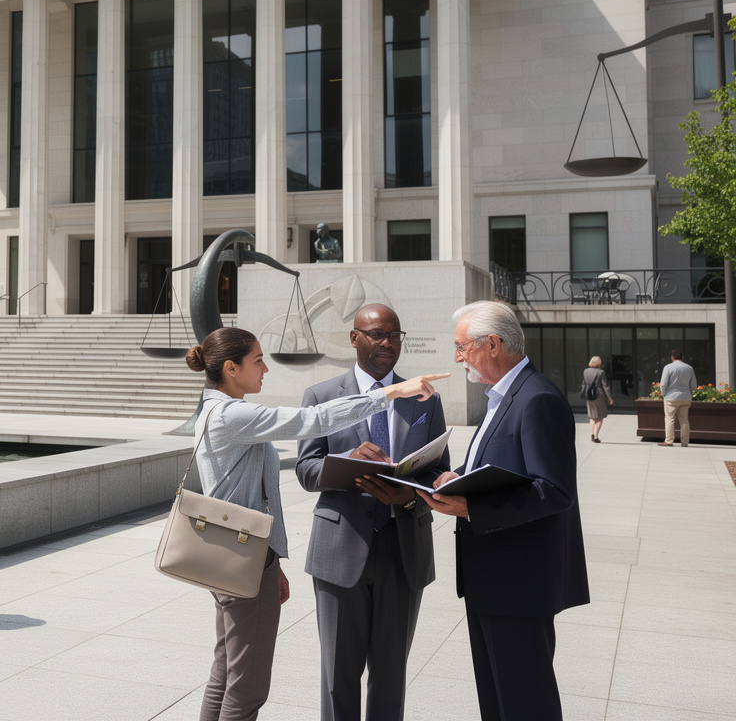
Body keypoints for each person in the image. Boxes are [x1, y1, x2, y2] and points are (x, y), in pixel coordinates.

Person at [186, 327, 447, 720]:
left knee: (225, 675)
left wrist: (274, 561)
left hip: (238, 557)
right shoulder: (232, 414)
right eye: (257, 361)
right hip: (245, 562)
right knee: (246, 690)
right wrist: (390, 393)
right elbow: (313, 420)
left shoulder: (213, 410)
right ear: (231, 368)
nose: (265, 369)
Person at [422, 300, 589, 721]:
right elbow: (502, 463)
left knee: (525, 703)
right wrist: (456, 477)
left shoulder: (536, 399)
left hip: (519, 583)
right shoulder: (503, 395)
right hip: (490, 579)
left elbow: (553, 490)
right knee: (497, 701)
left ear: (492, 344)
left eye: (462, 347)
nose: (458, 359)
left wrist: (470, 507)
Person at [296, 305, 450, 721]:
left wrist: (412, 496)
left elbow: (437, 467)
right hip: (341, 549)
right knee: (338, 674)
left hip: (404, 549)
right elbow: (306, 471)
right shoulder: (322, 397)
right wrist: (348, 458)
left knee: (391, 673)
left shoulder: (424, 398)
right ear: (354, 338)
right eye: (378, 334)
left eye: (395, 335)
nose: (388, 343)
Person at [658, 349, 697, 447]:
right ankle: (684, 442)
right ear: (682, 357)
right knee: (684, 419)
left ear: (672, 357)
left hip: (671, 397)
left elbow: (663, 384)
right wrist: (689, 393)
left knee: (670, 419)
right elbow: (694, 385)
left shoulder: (668, 367)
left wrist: (664, 394)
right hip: (685, 397)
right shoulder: (689, 368)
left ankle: (669, 440)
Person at [583, 355, 613, 444]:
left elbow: (584, 383)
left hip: (589, 395)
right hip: (599, 396)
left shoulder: (586, 371)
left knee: (592, 417)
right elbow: (605, 386)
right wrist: (610, 398)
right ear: (599, 363)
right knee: (600, 417)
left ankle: (592, 434)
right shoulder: (601, 372)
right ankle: (596, 437)